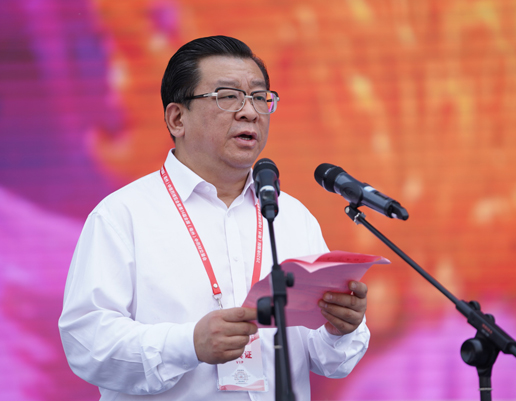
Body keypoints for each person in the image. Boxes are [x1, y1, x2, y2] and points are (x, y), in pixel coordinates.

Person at [59, 35, 370, 400]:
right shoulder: (122, 215)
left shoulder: (291, 216)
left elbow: (328, 360)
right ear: (177, 118)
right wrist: (189, 344)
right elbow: (88, 343)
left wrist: (341, 328)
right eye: (228, 96)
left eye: (259, 97)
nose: (250, 112)